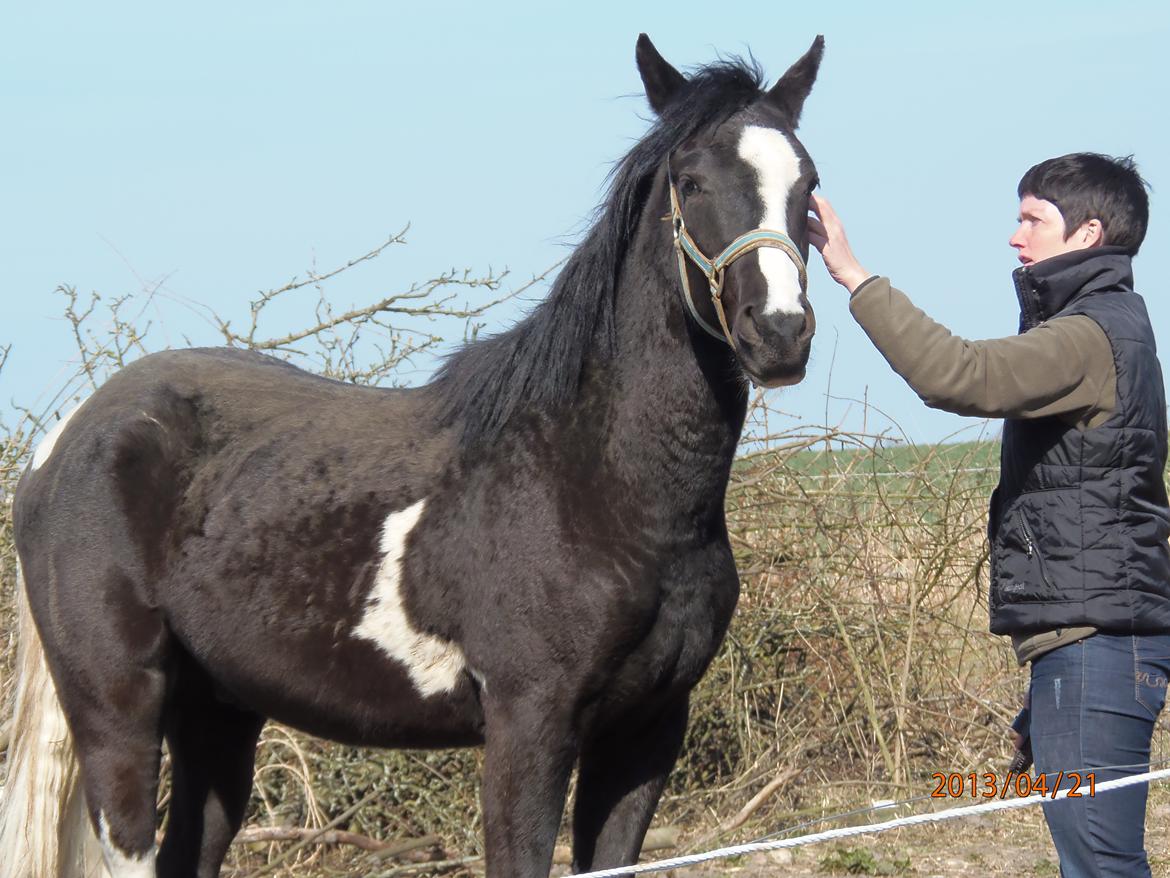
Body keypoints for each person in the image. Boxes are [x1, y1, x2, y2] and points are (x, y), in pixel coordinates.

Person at [807, 153, 1170, 877]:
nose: (1015, 236)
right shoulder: (1098, 325)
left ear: (1090, 231)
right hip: (1085, 644)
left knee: (1101, 863)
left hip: (1097, 647)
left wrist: (854, 276)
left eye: (1032, 218)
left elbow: (960, 375)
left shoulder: (1088, 336)